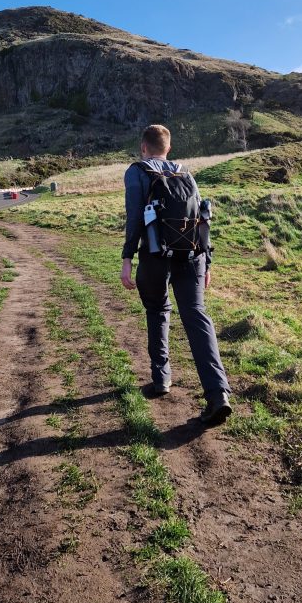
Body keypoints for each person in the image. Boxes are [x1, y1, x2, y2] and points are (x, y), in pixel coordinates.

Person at [120, 124, 232, 426]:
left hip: (156, 256)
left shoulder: (137, 171)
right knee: (196, 315)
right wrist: (206, 262)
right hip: (192, 254)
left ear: (144, 147)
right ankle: (218, 393)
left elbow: (134, 218)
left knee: (157, 309)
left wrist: (127, 258)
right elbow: (201, 219)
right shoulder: (186, 172)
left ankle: (162, 379)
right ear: (168, 147)